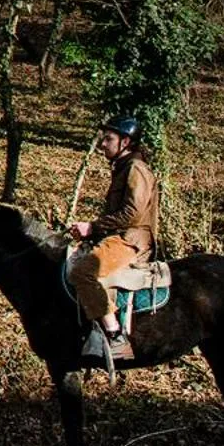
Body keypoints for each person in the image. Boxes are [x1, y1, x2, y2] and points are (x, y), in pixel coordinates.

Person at [67, 113, 158, 360]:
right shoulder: (123, 168)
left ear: (125, 142)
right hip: (118, 237)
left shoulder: (135, 169)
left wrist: (93, 227)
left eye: (108, 139)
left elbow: (132, 213)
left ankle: (116, 336)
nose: (103, 144)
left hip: (130, 241)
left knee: (82, 271)